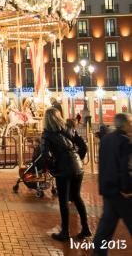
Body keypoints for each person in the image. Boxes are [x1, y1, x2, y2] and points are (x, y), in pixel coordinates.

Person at [40, 107, 90, 241]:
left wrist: (53, 169)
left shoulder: (46, 134)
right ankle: (85, 228)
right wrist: (77, 158)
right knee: (77, 197)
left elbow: (44, 156)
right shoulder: (69, 129)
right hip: (77, 168)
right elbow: (84, 147)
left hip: (63, 169)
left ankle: (65, 232)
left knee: (63, 201)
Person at [92, 113, 132, 255]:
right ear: (125, 124)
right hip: (121, 191)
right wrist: (127, 188)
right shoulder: (125, 141)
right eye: (130, 122)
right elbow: (124, 167)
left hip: (108, 188)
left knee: (106, 226)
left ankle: (98, 252)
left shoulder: (107, 139)